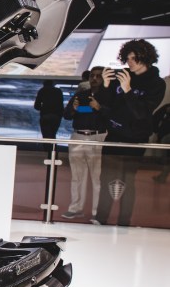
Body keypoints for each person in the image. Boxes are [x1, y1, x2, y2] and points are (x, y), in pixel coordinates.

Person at [92, 39, 166, 226]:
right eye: (127, 58)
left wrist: (128, 91)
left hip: (135, 139)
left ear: (147, 58)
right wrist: (106, 85)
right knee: (106, 177)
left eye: (134, 58)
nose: (129, 62)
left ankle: (124, 221)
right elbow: (106, 104)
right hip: (114, 134)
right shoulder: (122, 76)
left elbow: (142, 113)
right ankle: (101, 218)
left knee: (128, 180)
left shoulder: (156, 84)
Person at [61, 66, 108, 219]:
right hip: (78, 136)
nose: (94, 79)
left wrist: (98, 107)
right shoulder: (80, 94)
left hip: (97, 137)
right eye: (92, 76)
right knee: (77, 175)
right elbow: (67, 115)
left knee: (97, 177)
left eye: (98, 76)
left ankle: (96, 212)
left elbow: (109, 117)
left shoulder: (109, 96)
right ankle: (75, 207)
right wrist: (74, 109)